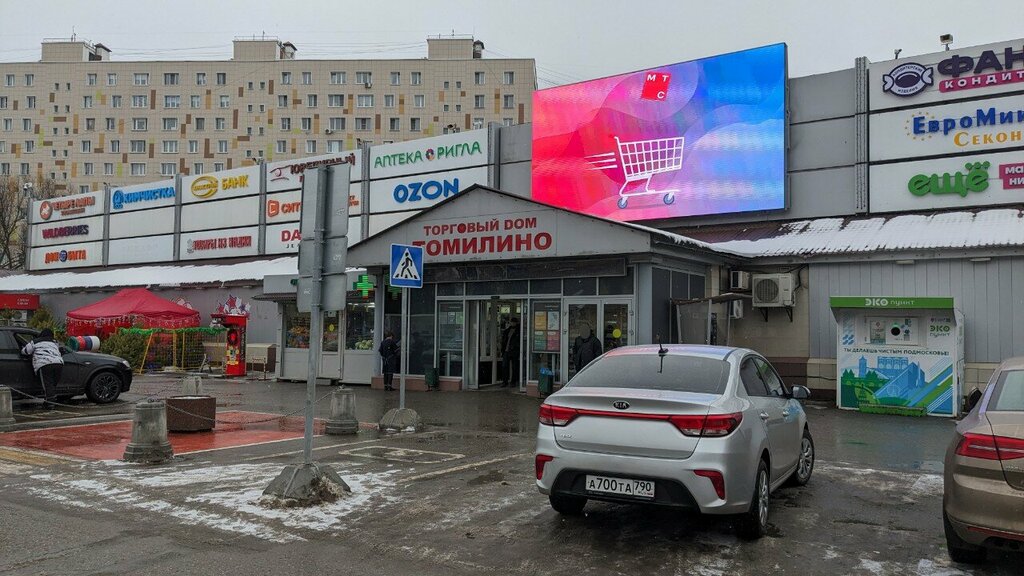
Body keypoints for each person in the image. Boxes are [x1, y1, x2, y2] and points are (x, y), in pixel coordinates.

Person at [21, 328, 64, 409]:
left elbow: (25, 351)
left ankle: (50, 403)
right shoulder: (54, 342)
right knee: (53, 383)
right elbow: (60, 350)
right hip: (58, 363)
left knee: (47, 384)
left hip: (44, 364)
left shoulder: (35, 341)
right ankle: (50, 399)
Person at [502, 316, 521, 388]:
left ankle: (513, 381)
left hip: (514, 351)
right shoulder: (507, 330)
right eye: (511, 322)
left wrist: (516, 347)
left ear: (516, 323)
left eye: (514, 322)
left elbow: (518, 341)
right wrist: (503, 350)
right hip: (506, 351)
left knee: (514, 367)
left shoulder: (518, 331)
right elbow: (504, 341)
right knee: (504, 366)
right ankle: (505, 381)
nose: (512, 323)